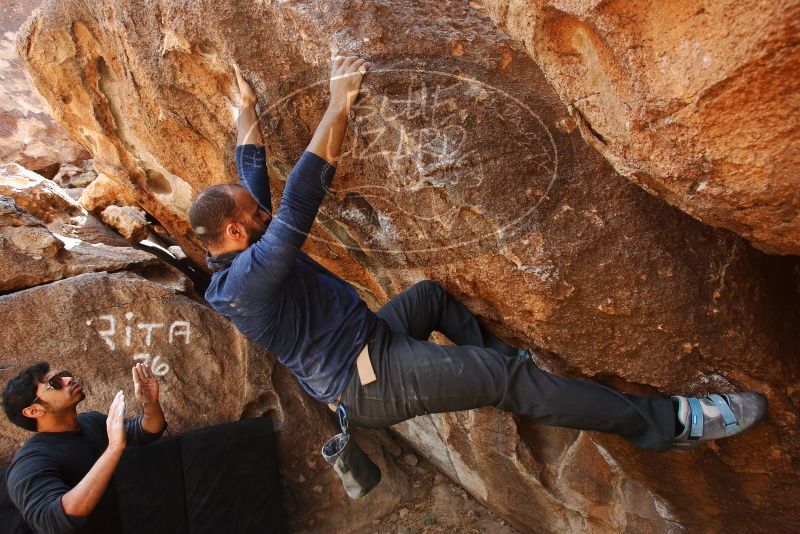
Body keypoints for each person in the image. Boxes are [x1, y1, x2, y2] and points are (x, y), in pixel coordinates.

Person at [189, 56, 766, 454]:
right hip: (365, 381)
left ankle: (526, 383)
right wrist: (338, 103)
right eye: (253, 217)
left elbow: (252, 177)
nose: (261, 215)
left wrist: (246, 108)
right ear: (236, 235)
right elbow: (297, 202)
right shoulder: (243, 285)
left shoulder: (242, 240)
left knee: (431, 298)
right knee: (501, 378)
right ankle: (674, 424)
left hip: (372, 338)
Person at [2, 363, 166, 533]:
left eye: (64, 374)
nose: (68, 379)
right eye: (54, 383)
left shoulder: (90, 422)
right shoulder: (29, 462)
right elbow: (54, 520)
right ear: (33, 411)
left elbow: (147, 431)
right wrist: (113, 450)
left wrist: (150, 404)